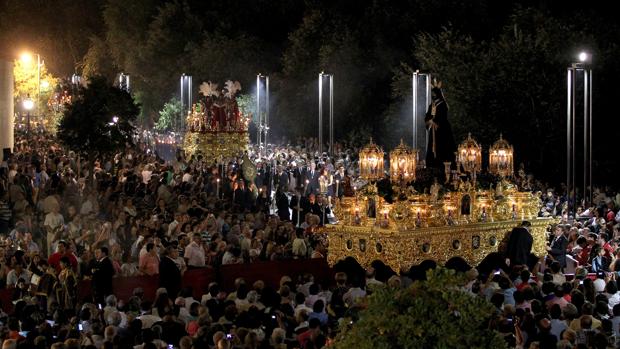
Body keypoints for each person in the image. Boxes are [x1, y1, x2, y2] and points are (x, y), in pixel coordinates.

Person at [424, 80, 456, 169]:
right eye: (432, 94)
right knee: (433, 147)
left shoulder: (443, 104)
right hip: (434, 129)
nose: (433, 96)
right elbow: (427, 116)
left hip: (443, 129)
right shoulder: (432, 105)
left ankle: (445, 165)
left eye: (435, 94)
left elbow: (443, 116)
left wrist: (436, 122)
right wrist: (430, 121)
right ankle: (433, 164)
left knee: (444, 146)